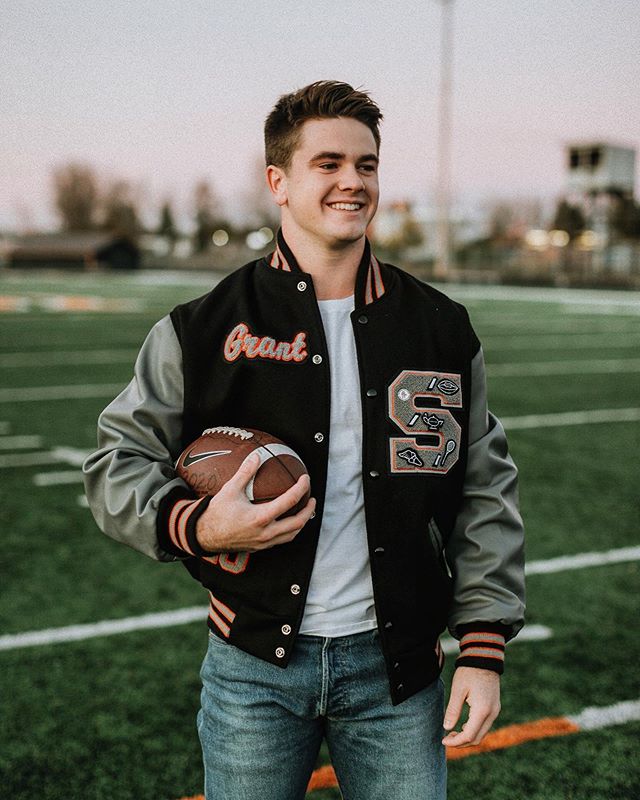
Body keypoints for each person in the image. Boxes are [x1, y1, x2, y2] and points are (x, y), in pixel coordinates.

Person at [83, 80, 525, 800]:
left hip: (398, 674)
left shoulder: (440, 327)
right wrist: (197, 524)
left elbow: (481, 488)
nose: (353, 181)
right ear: (278, 182)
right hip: (253, 667)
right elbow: (113, 466)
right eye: (328, 164)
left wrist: (484, 645)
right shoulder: (202, 327)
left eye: (367, 164)